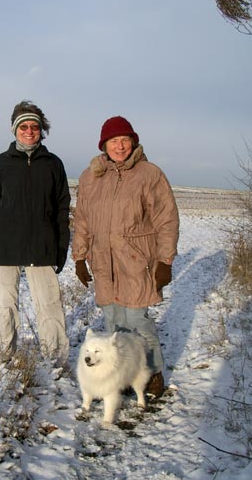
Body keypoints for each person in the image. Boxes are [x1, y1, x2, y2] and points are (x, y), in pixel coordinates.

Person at [72, 116, 179, 397]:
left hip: (136, 261)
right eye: (113, 141)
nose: (119, 146)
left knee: (138, 321)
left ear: (133, 142)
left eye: (124, 140)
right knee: (114, 325)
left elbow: (166, 220)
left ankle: (153, 373)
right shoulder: (90, 177)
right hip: (104, 263)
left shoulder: (149, 174)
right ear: (104, 145)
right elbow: (82, 219)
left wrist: (165, 261)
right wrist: (80, 258)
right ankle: (127, 373)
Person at [0, 100, 71, 367]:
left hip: (42, 247)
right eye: (23, 127)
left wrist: (62, 247)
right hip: (4, 249)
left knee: (50, 306)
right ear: (14, 130)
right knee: (5, 308)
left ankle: (56, 360)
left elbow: (62, 209)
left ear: (42, 130)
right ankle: (5, 357)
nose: (29, 131)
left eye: (35, 127)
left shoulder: (53, 164)